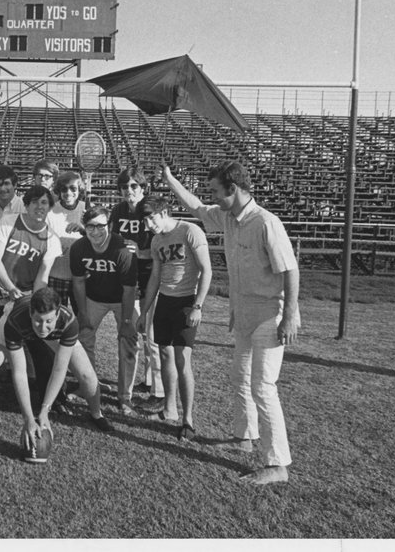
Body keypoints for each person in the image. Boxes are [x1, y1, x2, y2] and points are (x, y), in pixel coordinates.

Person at [162, 160, 300, 485]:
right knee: (240, 378)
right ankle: (244, 437)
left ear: (233, 189)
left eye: (215, 191)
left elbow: (290, 270)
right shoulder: (227, 217)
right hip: (245, 317)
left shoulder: (266, 222)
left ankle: (277, 464)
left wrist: (290, 315)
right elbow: (195, 206)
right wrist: (170, 179)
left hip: (270, 315)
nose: (212, 197)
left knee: (263, 387)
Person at [0, 185, 63, 424]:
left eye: (45, 203)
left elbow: (42, 278)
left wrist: (34, 301)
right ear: (26, 204)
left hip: (25, 295)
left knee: (39, 343)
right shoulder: (10, 221)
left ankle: (49, 398)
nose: (40, 207)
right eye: (35, 202)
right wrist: (9, 288)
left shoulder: (51, 238)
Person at [0, 288, 114, 438]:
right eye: (39, 320)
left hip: (54, 332)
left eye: (49, 321)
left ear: (57, 314)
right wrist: (28, 418)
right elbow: (19, 372)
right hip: (17, 322)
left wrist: (45, 409)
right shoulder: (16, 320)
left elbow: (59, 369)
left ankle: (96, 414)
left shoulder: (69, 322)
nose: (43, 326)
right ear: (31, 314)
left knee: (88, 376)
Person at [136, 196, 212, 440]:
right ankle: (169, 409)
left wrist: (197, 306)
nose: (148, 224)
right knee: (166, 353)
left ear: (165, 212)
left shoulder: (190, 231)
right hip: (165, 302)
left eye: (152, 217)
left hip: (186, 301)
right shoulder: (157, 240)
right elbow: (155, 278)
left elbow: (206, 269)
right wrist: (145, 310)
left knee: (183, 359)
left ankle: (187, 420)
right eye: (145, 220)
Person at [69, 206, 139, 415]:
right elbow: (79, 282)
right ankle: (87, 385)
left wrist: (126, 322)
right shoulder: (79, 248)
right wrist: (82, 312)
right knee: (83, 338)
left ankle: (124, 397)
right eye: (90, 226)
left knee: (129, 341)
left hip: (122, 300)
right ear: (85, 227)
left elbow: (129, 289)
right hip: (94, 297)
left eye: (101, 226)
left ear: (109, 225)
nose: (96, 231)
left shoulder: (122, 249)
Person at [109, 167, 166, 415]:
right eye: (124, 187)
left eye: (134, 186)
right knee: (135, 331)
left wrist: (137, 250)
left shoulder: (148, 208)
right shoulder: (118, 210)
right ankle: (148, 381)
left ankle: (158, 394)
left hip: (150, 276)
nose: (129, 191)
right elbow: (111, 238)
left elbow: (159, 246)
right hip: (126, 278)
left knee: (151, 336)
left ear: (143, 188)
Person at [46, 171, 86, 308]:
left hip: (80, 277)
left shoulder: (86, 209)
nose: (68, 193)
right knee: (56, 319)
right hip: (56, 276)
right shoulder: (50, 212)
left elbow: (98, 240)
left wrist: (84, 229)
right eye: (64, 189)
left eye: (73, 188)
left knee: (83, 320)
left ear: (79, 190)